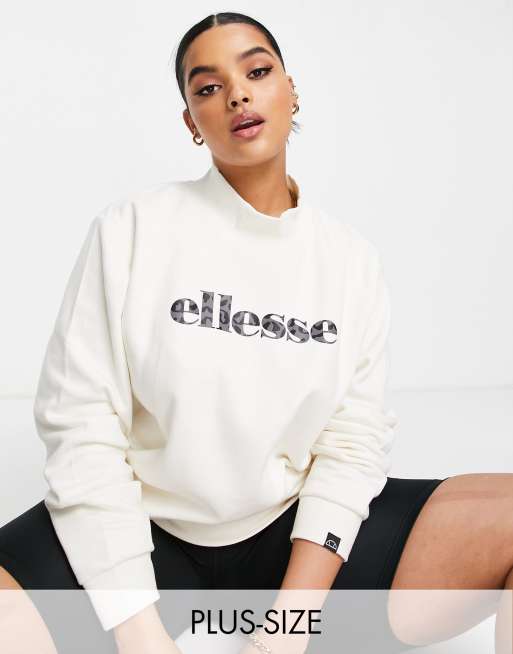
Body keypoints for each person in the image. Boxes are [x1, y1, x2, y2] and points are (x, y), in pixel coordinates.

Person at [1, 11, 512, 654]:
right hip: (146, 537)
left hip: (293, 541)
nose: (238, 95)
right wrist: (138, 631)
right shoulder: (131, 230)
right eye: (209, 87)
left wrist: (286, 630)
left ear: (291, 90)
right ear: (192, 122)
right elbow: (80, 426)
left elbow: (351, 445)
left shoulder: (349, 261)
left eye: (258, 71)